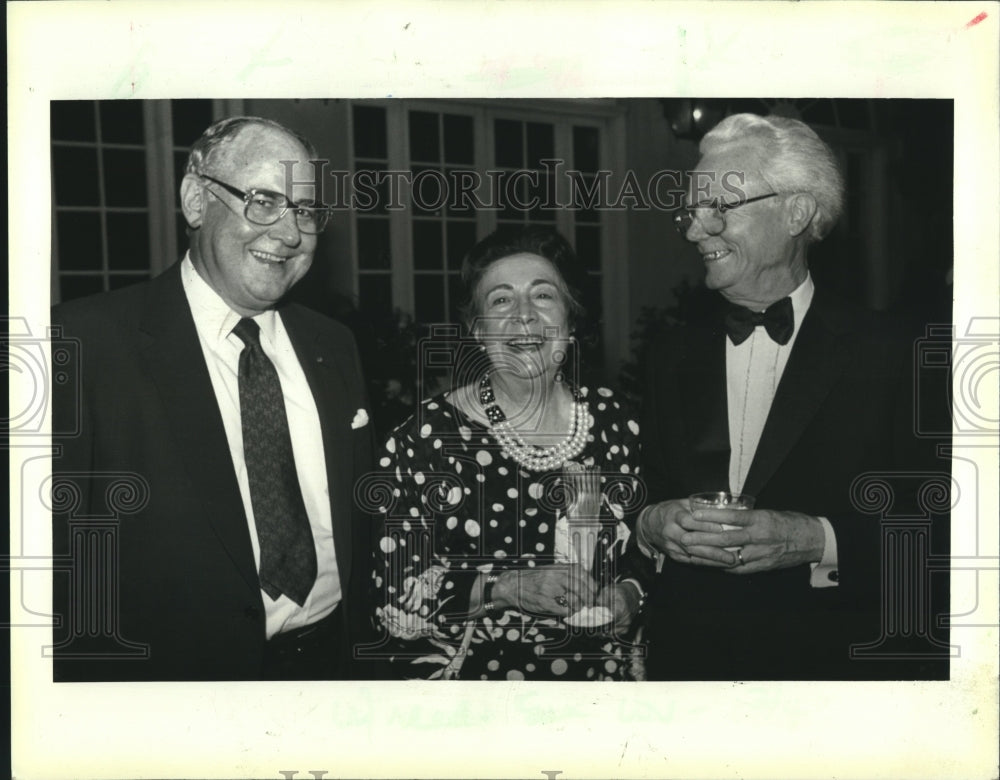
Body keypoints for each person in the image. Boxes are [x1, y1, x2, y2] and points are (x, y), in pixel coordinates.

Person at [50, 116, 373, 681]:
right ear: (196, 200)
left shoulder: (334, 345)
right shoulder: (83, 344)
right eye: (264, 201)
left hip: (335, 669)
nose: (289, 233)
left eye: (305, 211)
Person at [636, 113, 950, 680]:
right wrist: (653, 523)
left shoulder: (901, 353)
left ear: (796, 212)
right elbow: (648, 490)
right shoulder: (668, 356)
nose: (692, 231)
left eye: (719, 208)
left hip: (834, 675)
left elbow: (946, 530)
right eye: (690, 211)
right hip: (690, 672)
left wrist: (815, 540)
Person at [367, 226, 646, 680]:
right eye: (501, 300)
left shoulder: (616, 422)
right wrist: (506, 588)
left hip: (600, 692)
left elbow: (645, 545)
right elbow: (391, 595)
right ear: (478, 331)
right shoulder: (424, 440)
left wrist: (631, 592)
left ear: (570, 323)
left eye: (543, 296)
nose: (523, 317)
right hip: (473, 704)